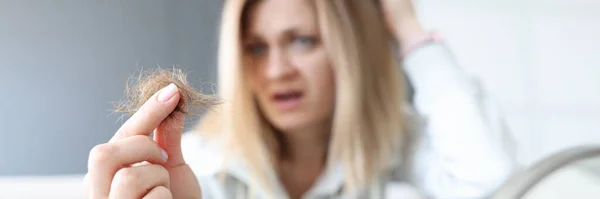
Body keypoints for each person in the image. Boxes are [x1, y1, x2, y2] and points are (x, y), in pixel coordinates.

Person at [84, 0, 517, 198]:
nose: (276, 71)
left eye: (303, 41)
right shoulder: (195, 171)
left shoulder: (395, 144)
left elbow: (496, 185)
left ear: (350, 49)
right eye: (256, 48)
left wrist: (411, 33)